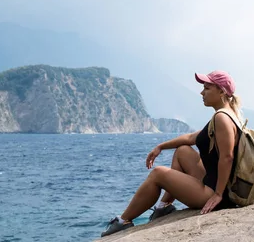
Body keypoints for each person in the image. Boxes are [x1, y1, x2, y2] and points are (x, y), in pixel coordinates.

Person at [101, 70, 243, 237]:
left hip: (216, 193)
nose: (201, 92)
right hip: (215, 184)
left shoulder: (222, 119)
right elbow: (190, 138)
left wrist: (218, 194)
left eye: (207, 88)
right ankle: (164, 207)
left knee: (158, 174)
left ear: (221, 91)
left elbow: (227, 158)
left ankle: (123, 221)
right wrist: (161, 146)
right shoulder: (225, 115)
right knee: (182, 151)